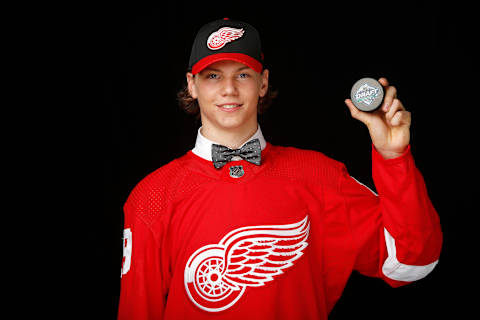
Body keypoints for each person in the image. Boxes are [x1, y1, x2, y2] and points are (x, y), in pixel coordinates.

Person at [117, 18, 442, 320]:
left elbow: (413, 262)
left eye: (242, 74)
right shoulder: (151, 197)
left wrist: (393, 157)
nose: (229, 89)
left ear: (263, 82)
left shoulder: (320, 176)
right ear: (192, 84)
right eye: (213, 75)